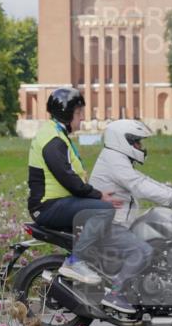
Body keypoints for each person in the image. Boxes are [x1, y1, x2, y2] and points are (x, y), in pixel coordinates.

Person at [89, 120, 172, 314]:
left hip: (116, 221)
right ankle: (114, 294)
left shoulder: (116, 158)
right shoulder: (114, 160)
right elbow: (139, 185)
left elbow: (143, 181)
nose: (140, 147)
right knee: (143, 251)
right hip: (110, 224)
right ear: (124, 141)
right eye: (137, 142)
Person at [27, 88, 121, 284]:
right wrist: (97, 196)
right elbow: (68, 179)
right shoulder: (53, 140)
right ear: (66, 114)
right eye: (79, 113)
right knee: (104, 210)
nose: (82, 118)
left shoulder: (56, 134)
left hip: (57, 203)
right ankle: (75, 262)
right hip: (47, 207)